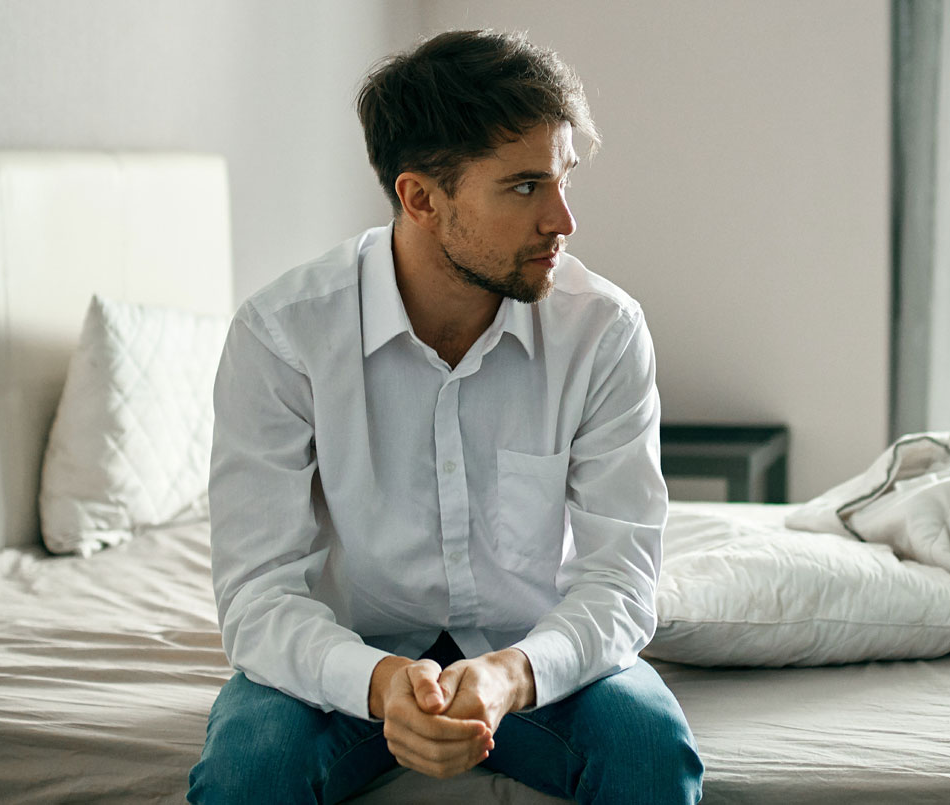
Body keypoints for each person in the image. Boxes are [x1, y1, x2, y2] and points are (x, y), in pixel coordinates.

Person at [187, 29, 704, 804]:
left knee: (649, 749)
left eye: (564, 180)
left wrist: (512, 672)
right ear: (421, 198)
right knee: (250, 768)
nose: (563, 220)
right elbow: (259, 594)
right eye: (525, 187)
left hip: (530, 653)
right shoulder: (283, 336)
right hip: (348, 658)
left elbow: (621, 579)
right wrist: (380, 682)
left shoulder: (602, 331)